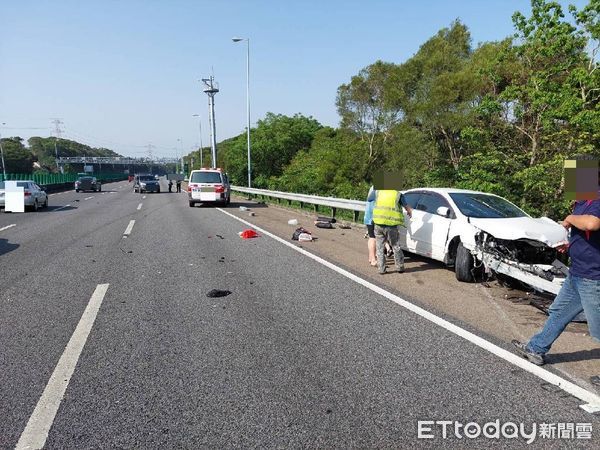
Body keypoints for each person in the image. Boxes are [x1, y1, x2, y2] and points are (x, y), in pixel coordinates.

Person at [513, 159, 600, 366]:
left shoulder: (596, 199)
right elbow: (588, 235)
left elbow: (592, 223)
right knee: (559, 312)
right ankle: (536, 348)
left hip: (593, 278)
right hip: (577, 272)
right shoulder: (582, 201)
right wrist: (569, 246)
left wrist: (569, 218)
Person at [367, 188, 413, 274]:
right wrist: (410, 212)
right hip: (391, 226)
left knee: (380, 247)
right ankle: (399, 267)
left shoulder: (378, 192)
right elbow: (407, 207)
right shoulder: (397, 194)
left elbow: (369, 199)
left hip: (378, 224)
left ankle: (381, 269)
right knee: (395, 245)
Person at [364, 186, 377, 266]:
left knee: (372, 237)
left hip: (369, 216)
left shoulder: (373, 187)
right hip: (373, 217)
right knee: (373, 238)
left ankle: (371, 257)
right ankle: (373, 259)